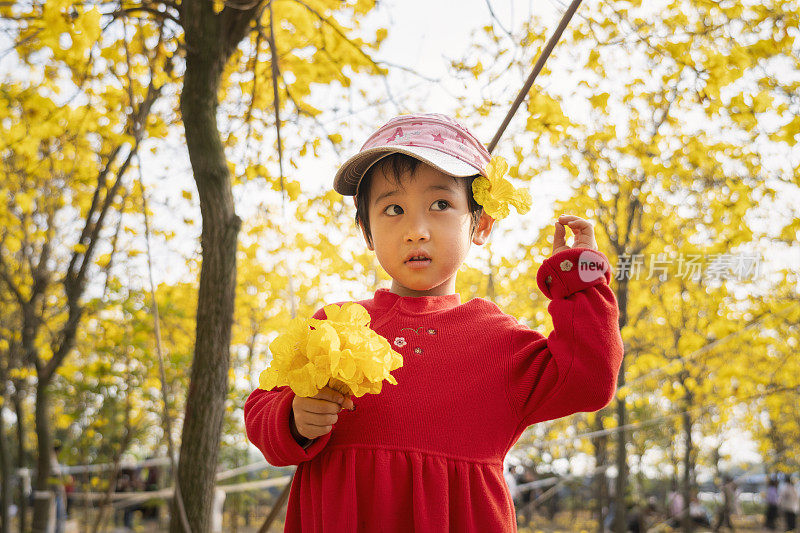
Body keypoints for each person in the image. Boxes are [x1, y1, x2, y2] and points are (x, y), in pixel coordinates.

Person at [244, 113, 624, 532]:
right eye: (392, 209)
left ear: (481, 224)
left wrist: (581, 278)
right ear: (367, 232)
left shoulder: (501, 342)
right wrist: (294, 419)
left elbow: (589, 379)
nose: (417, 230)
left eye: (441, 205)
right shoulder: (333, 329)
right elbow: (262, 410)